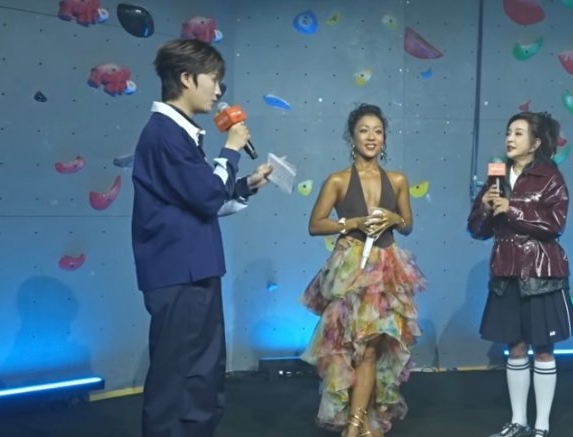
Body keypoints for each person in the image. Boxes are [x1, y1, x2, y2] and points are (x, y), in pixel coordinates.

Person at [131, 38, 273, 436]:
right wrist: (231, 150)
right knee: (178, 375)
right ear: (186, 78)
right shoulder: (164, 134)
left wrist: (245, 185)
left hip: (195, 270)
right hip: (178, 274)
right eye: (214, 79)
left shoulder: (179, 133)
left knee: (202, 371)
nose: (218, 91)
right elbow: (207, 196)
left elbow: (197, 201)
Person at [301, 103, 425, 437]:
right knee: (350, 350)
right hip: (350, 271)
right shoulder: (338, 180)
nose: (371, 137)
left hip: (387, 269)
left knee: (372, 348)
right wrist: (352, 223)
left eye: (378, 131)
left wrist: (394, 218)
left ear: (384, 139)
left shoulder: (397, 180)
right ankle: (360, 420)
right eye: (364, 130)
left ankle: (356, 425)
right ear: (352, 137)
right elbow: (316, 224)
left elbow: (408, 224)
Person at [468, 111, 573, 437]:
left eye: (518, 133)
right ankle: (518, 421)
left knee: (543, 349)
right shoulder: (497, 178)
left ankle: (542, 424)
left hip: (541, 274)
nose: (510, 139)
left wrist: (512, 208)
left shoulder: (550, 177)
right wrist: (485, 208)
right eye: (508, 132)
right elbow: (476, 230)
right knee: (515, 347)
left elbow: (555, 224)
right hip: (506, 274)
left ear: (535, 143)